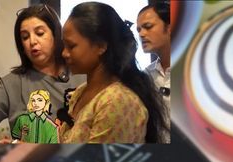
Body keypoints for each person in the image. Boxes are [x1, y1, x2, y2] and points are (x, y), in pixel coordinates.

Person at [60, 2, 168, 144]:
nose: (64, 53)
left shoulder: (118, 102)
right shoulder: (81, 91)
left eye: (71, 46)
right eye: (64, 46)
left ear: (101, 46)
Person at [0, 6, 74, 144]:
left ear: (56, 35)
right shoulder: (13, 82)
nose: (32, 41)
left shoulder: (80, 73)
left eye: (40, 33)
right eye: (25, 37)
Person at [137, 1, 171, 142]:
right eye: (138, 30)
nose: (142, 34)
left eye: (148, 27)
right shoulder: (146, 75)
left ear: (170, 28)